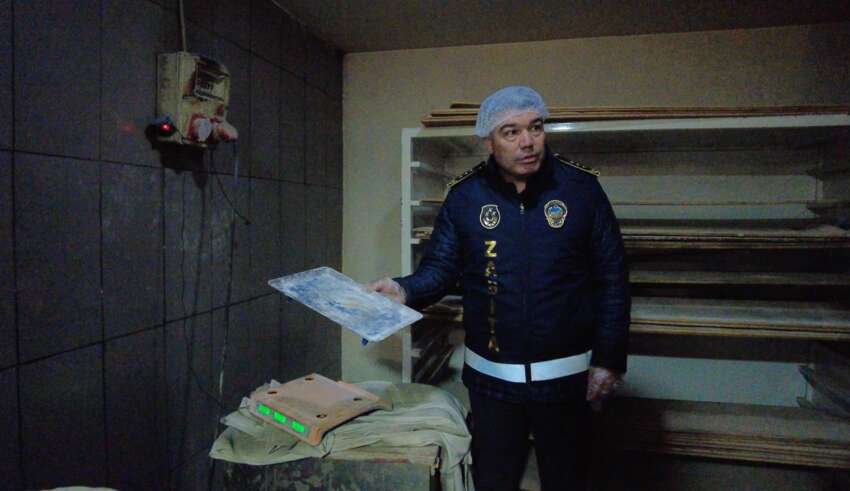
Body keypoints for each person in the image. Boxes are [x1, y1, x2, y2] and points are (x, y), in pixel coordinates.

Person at [369, 86, 630, 490]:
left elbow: (612, 277)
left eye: (535, 127)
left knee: (568, 480)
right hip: (492, 385)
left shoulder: (581, 190)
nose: (528, 142)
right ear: (488, 141)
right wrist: (403, 291)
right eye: (511, 132)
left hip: (566, 382)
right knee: (494, 480)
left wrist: (609, 360)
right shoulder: (465, 196)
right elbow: (440, 268)